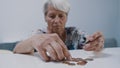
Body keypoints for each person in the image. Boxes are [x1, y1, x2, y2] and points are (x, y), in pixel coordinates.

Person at [13, 0, 104, 62]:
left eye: (61, 16)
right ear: (45, 17)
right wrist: (32, 41)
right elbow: (16, 50)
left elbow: (89, 41)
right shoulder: (38, 34)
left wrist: (96, 43)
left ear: (66, 17)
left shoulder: (75, 33)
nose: (56, 21)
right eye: (52, 16)